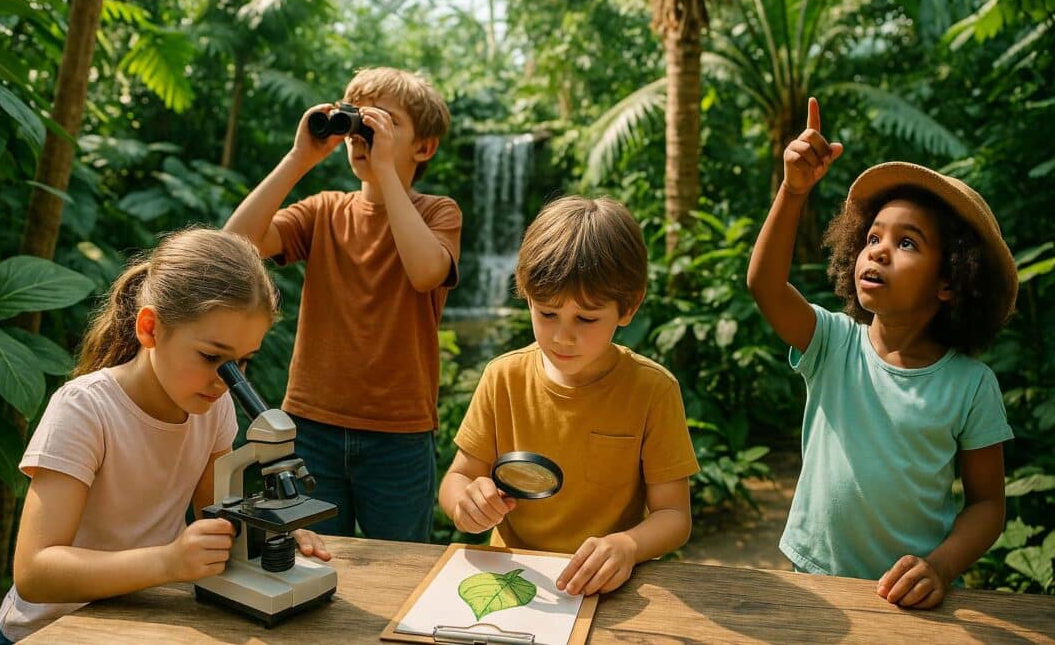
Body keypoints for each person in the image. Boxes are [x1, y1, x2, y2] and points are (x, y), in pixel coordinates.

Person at [0, 229, 330, 644]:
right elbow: (35, 574)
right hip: (49, 631)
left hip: (141, 622)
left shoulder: (212, 405)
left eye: (242, 362)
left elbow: (219, 517)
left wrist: (273, 533)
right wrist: (169, 562)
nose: (228, 380)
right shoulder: (85, 409)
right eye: (212, 357)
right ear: (150, 328)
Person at [746, 98, 1017, 609]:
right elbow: (764, 283)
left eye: (907, 243)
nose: (878, 250)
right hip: (814, 579)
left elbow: (986, 506)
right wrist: (793, 190)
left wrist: (940, 566)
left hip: (908, 600)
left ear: (949, 281)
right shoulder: (833, 342)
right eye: (872, 237)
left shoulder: (971, 385)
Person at [223, 67, 460, 543]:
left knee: (400, 569)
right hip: (313, 427)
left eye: (382, 122)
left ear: (424, 147)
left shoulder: (438, 212)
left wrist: (387, 171)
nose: (363, 133)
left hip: (399, 433)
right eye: (355, 119)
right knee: (311, 557)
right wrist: (299, 157)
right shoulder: (324, 210)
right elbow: (233, 245)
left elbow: (425, 272)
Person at [439, 195, 700, 596]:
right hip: (511, 582)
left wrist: (628, 545)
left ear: (628, 307)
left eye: (586, 318)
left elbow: (673, 515)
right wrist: (466, 505)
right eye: (547, 313)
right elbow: (457, 477)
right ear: (526, 296)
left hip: (605, 587)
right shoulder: (502, 378)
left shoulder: (653, 390)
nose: (563, 336)